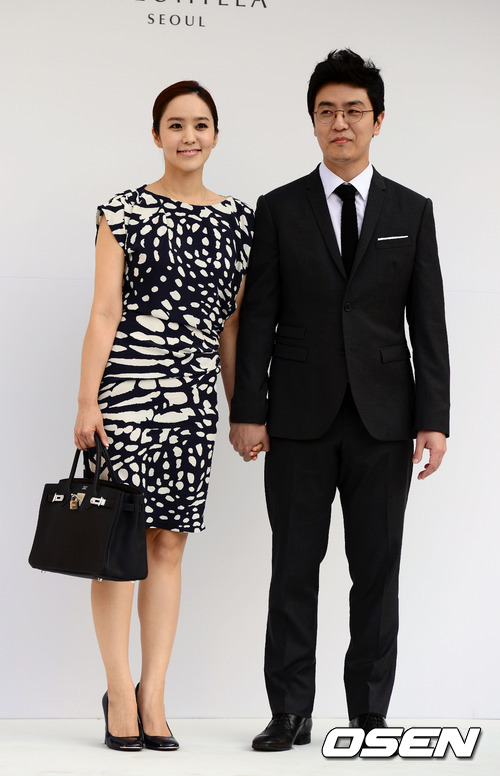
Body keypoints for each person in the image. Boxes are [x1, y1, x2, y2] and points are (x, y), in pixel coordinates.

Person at [230, 49, 450, 750]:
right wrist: (247, 411)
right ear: (313, 122)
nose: (340, 123)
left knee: (377, 573)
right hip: (297, 419)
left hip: (386, 421)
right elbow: (258, 318)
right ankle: (291, 711)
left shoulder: (411, 210)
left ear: (378, 120)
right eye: (327, 111)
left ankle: (369, 714)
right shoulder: (278, 208)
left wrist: (434, 419)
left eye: (354, 110)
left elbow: (428, 322)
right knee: (293, 569)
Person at [74, 81, 254, 751]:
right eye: (175, 124)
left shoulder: (241, 222)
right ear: (156, 135)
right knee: (115, 546)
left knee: (168, 544)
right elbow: (104, 311)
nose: (188, 135)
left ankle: (154, 693)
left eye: (200, 124)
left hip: (192, 406)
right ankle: (119, 691)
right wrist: (87, 401)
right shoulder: (122, 212)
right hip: (123, 400)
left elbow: (231, 328)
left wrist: (241, 411)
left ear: (215, 135)